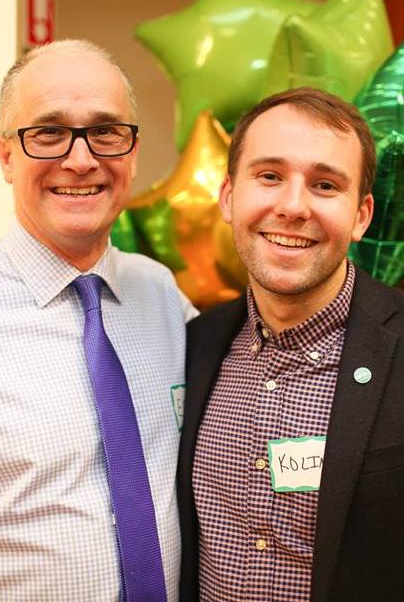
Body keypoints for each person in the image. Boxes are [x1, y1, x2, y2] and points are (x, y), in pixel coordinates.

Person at [0, 39, 196, 601]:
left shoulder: (162, 297)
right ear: (5, 156)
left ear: (132, 151)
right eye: (49, 132)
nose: (80, 160)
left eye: (106, 130)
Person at [178, 87, 404, 602]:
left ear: (361, 216)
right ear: (229, 196)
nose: (293, 206)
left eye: (325, 185)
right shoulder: (194, 346)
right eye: (270, 176)